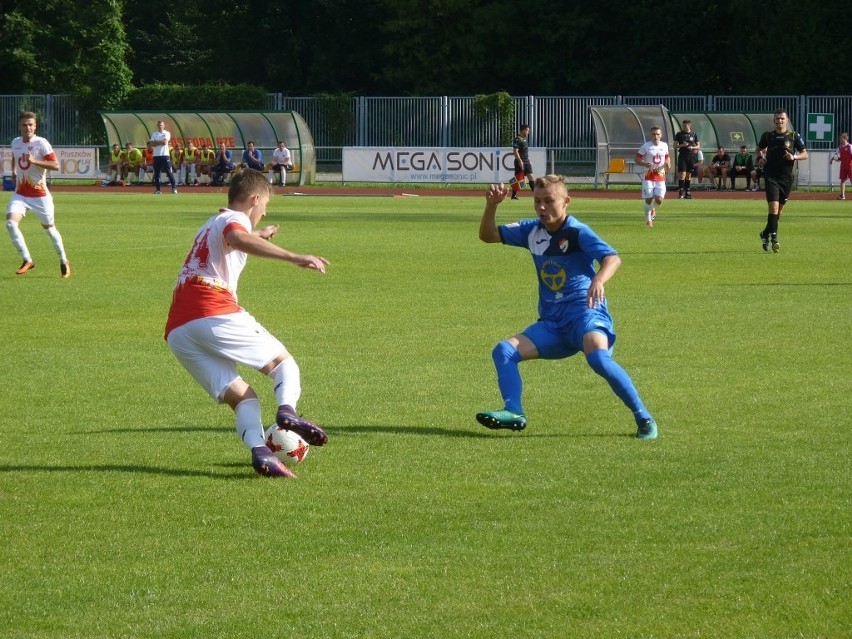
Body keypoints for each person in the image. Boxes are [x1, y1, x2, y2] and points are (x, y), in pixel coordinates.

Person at [164, 169, 331, 478]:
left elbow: (231, 240)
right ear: (255, 199)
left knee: (243, 397)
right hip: (211, 309)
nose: (264, 211)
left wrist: (259, 235)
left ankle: (261, 453)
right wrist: (295, 257)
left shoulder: (211, 223)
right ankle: (287, 413)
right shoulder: (235, 221)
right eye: (264, 205)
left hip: (178, 329)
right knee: (285, 366)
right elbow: (237, 237)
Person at [475, 174, 657, 439]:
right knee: (504, 351)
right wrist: (491, 206)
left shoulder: (577, 231)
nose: (542, 208)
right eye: (537, 201)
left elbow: (612, 258)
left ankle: (644, 419)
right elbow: (488, 236)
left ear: (566, 201)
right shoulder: (531, 230)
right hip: (552, 323)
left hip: (586, 312)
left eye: (549, 201)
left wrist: (598, 278)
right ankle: (514, 410)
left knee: (598, 358)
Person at [5, 111, 71, 278]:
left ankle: (63, 260)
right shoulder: (15, 142)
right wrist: (13, 171)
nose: (27, 127)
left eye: (30, 124)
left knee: (49, 230)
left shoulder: (41, 143)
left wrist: (34, 161)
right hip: (20, 194)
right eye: (24, 124)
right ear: (19, 127)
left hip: (40, 195)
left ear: (35, 127)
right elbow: (15, 155)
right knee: (10, 224)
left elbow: (55, 165)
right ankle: (27, 259)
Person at [756, 108, 808, 253]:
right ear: (774, 120)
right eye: (777, 118)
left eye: (782, 118)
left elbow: (805, 154)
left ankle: (765, 233)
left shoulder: (793, 136)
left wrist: (794, 157)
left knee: (778, 212)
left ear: (787, 120)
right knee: (773, 208)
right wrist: (760, 158)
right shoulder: (768, 136)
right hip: (771, 175)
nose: (779, 121)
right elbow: (759, 149)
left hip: (786, 178)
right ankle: (774, 238)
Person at [635, 126, 670, 227]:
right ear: (651, 135)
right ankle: (648, 220)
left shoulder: (664, 145)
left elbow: (667, 158)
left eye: (658, 134)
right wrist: (645, 164)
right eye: (654, 134)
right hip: (649, 176)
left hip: (660, 176)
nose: (656, 136)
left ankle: (652, 208)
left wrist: (668, 164)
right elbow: (637, 159)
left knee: (659, 200)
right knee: (649, 199)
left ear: (661, 135)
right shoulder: (646, 146)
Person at [149, 120, 177, 194]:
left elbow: (165, 143)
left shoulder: (167, 133)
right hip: (156, 156)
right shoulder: (154, 134)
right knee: (157, 173)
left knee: (169, 172)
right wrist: (160, 142)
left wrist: (156, 142)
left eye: (161, 125)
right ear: (157, 126)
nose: (160, 126)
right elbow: (151, 144)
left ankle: (174, 188)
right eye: (159, 125)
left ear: (164, 126)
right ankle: (158, 190)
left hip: (165, 155)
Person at [674, 119, 700, 199]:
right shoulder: (679, 134)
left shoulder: (694, 134)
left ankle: (688, 193)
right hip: (682, 156)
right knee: (682, 175)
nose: (684, 127)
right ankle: (681, 193)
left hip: (691, 156)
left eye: (685, 125)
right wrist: (682, 145)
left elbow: (698, 146)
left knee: (688, 175)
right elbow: (675, 145)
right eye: (683, 125)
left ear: (689, 125)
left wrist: (692, 147)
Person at [510, 124, 534, 200]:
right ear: (523, 130)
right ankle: (513, 195)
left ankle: (536, 194)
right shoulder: (517, 139)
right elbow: (515, 151)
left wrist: (528, 160)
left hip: (526, 161)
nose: (528, 132)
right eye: (527, 131)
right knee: (519, 179)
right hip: (519, 162)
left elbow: (524, 152)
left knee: (531, 177)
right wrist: (520, 161)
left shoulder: (525, 139)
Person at [830, 132, 852, 200]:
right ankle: (843, 195)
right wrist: (833, 159)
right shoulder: (840, 147)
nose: (840, 140)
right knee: (842, 181)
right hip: (843, 167)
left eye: (841, 138)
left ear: (845, 138)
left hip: (850, 167)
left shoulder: (850, 146)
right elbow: (837, 156)